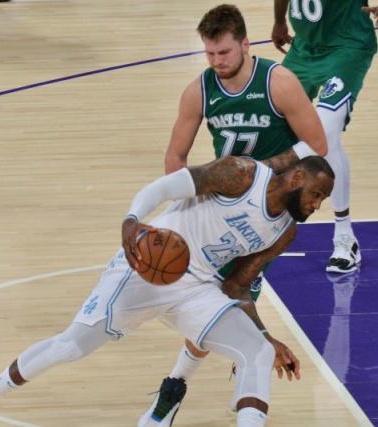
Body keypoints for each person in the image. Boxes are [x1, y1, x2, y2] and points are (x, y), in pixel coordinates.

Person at [0, 155, 335, 427]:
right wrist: (131, 222)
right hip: (145, 267)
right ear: (297, 178)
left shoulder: (284, 230)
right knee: (72, 346)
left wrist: (267, 335)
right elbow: (164, 188)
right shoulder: (242, 175)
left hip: (196, 288)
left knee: (258, 352)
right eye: (317, 195)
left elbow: (236, 286)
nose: (317, 205)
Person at [140, 5, 329, 425]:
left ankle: (189, 384)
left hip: (271, 213)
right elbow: (176, 154)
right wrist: (184, 197)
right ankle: (222, 378)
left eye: (224, 52)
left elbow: (316, 143)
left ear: (245, 44)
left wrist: (266, 173)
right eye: (209, 54)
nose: (217, 62)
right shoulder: (200, 90)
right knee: (218, 299)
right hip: (222, 208)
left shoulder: (278, 82)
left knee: (227, 297)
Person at [272, 0, 378, 273]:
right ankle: (265, 220)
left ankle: (345, 236)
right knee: (274, 123)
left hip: (348, 45)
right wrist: (279, 20)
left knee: (325, 132)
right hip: (304, 48)